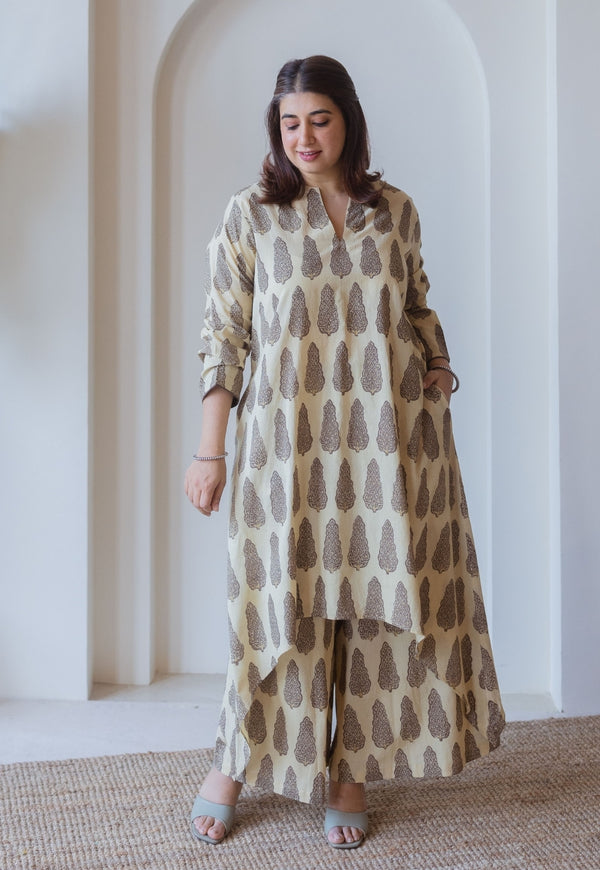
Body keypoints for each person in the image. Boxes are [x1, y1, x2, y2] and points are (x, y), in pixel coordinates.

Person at [184, 55, 504, 850]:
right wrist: (209, 451)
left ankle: (350, 771)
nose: (304, 137)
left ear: (348, 122)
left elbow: (417, 305)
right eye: (289, 123)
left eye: (319, 119)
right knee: (275, 607)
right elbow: (224, 337)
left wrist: (438, 364)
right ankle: (233, 762)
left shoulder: (393, 211)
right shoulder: (251, 216)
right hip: (283, 450)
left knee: (375, 606)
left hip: (388, 448)